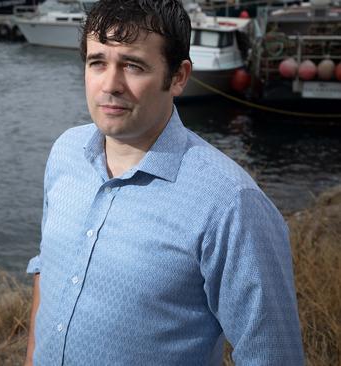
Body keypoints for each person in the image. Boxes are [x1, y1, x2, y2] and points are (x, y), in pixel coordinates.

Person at [24, 0, 305, 365]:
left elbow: (272, 355)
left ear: (178, 77)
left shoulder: (230, 203)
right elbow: (47, 271)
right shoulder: (65, 153)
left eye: (133, 65)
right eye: (98, 62)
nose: (110, 85)